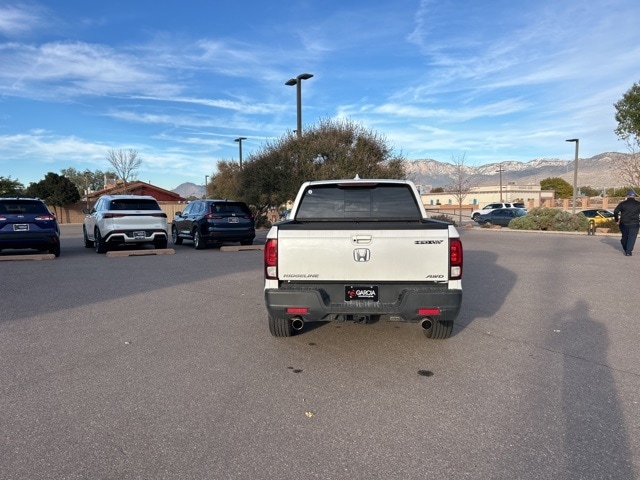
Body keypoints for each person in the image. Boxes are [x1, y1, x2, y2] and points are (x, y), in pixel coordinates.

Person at [613, 190, 640, 256]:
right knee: (632, 237)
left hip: (624, 223)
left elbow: (616, 211)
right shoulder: (638, 204)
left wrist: (616, 220)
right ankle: (628, 251)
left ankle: (626, 247)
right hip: (634, 223)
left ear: (627, 196)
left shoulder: (622, 203)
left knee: (624, 236)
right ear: (634, 196)